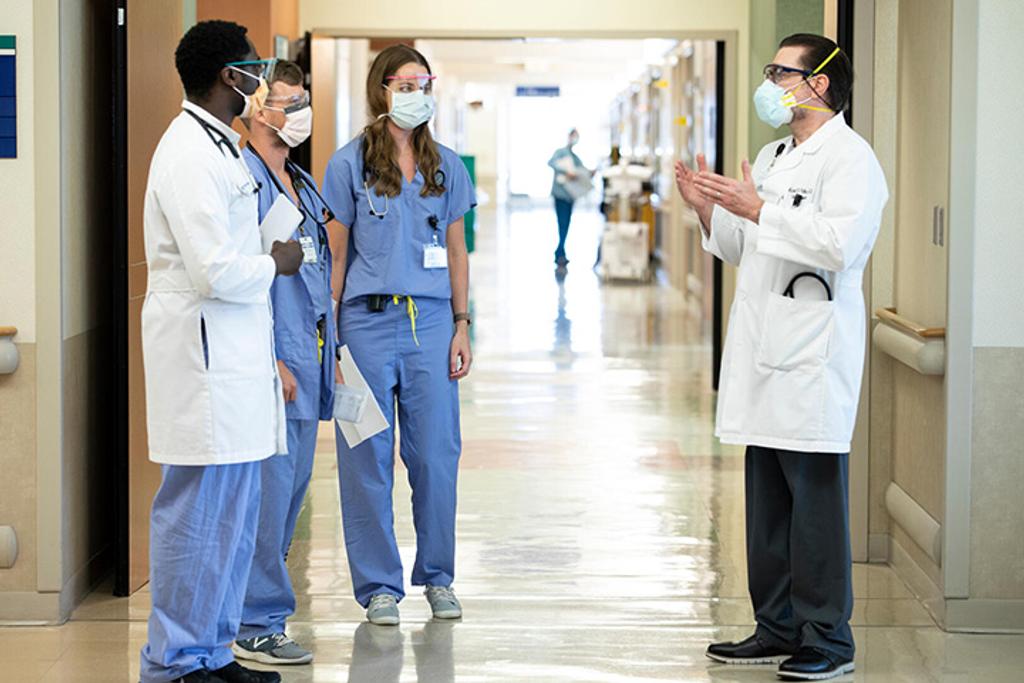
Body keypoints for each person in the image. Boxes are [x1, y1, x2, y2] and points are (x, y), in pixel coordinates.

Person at [674, 34, 888, 681]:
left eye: (780, 73)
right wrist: (709, 212)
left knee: (814, 511)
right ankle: (776, 626)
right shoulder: (773, 155)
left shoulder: (850, 159)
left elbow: (840, 245)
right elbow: (746, 246)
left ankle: (828, 639)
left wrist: (760, 208)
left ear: (819, 83)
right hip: (765, 355)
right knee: (767, 506)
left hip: (811, 360)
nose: (769, 85)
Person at [139, 20, 303, 683]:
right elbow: (213, 271)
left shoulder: (222, 147)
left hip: (233, 361)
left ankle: (212, 650)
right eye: (255, 69)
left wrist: (265, 250)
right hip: (202, 364)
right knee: (195, 519)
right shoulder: (187, 153)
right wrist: (276, 261)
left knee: (232, 522)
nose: (263, 81)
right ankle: (175, 661)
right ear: (229, 76)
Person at [321, 44, 475, 626]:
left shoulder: (446, 167)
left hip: (431, 326)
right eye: (405, 85)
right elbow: (336, 257)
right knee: (366, 458)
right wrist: (330, 338)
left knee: (436, 455)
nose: (416, 95)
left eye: (423, 85)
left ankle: (438, 577)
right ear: (381, 91)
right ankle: (379, 587)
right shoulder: (348, 164)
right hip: (363, 325)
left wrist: (462, 325)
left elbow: (456, 252)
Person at [232, 60, 340, 667]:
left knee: (290, 495)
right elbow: (242, 276)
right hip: (275, 361)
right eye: (286, 102)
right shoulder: (243, 179)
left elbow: (314, 269)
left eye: (303, 101)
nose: (298, 113)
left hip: (309, 354)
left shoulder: (298, 179)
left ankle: (261, 614)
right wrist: (270, 356)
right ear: (256, 107)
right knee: (269, 499)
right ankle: (256, 623)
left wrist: (331, 351)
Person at [547, 129, 590, 268]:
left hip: (570, 195)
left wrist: (589, 173)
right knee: (562, 222)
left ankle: (561, 251)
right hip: (560, 194)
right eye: (573, 136)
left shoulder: (575, 157)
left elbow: (582, 171)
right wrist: (566, 171)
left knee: (566, 223)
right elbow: (551, 163)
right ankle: (560, 252)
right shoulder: (560, 152)